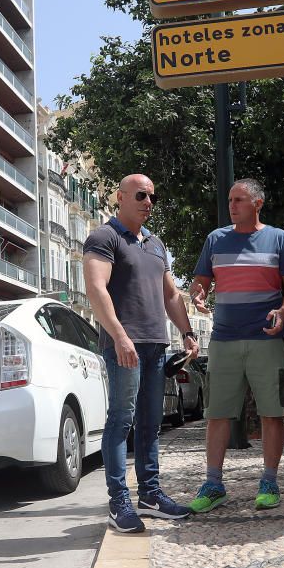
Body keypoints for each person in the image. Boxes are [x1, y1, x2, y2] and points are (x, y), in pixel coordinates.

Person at [84, 174, 198, 533]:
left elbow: (171, 295)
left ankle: (150, 495)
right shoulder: (104, 237)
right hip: (124, 345)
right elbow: (96, 288)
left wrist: (188, 332)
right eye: (141, 195)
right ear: (120, 197)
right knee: (121, 420)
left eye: (153, 196)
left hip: (155, 345)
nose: (149, 201)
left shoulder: (156, 243)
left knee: (151, 423)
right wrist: (119, 335)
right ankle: (119, 502)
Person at [187, 179, 284, 513]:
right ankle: (213, 483)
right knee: (217, 413)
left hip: (267, 338)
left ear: (258, 203)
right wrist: (197, 293)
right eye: (230, 200)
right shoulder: (215, 239)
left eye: (239, 200)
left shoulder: (279, 239)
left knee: (273, 412)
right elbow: (200, 282)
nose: (232, 206)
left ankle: (269, 481)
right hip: (223, 339)